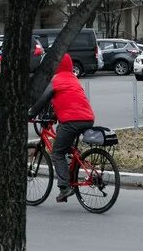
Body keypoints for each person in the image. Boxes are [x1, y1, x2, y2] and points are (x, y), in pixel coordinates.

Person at [29, 54, 95, 202]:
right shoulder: (74, 79)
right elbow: (66, 100)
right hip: (88, 118)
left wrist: (30, 113)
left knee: (57, 153)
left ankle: (64, 188)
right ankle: (72, 158)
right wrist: (53, 115)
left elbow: (42, 100)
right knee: (61, 134)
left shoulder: (56, 80)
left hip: (72, 121)